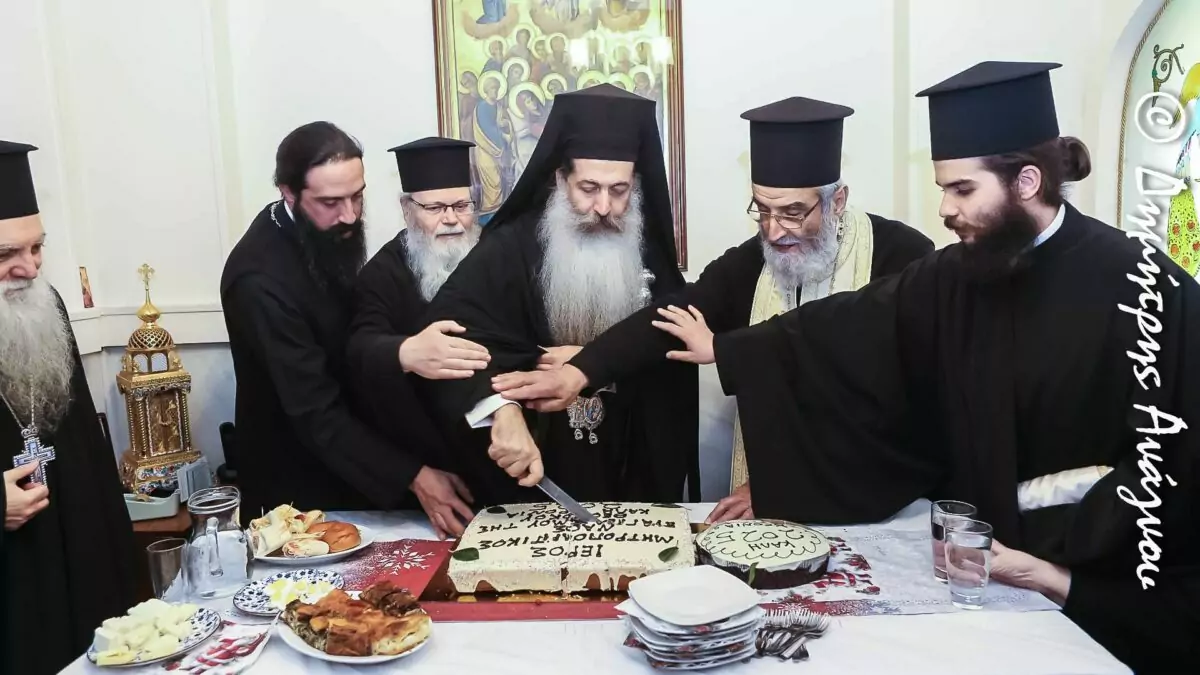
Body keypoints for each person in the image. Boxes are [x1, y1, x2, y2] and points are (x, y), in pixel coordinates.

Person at [680, 62, 1199, 672]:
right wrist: (733, 351)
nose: (946, 209)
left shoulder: (1143, 286)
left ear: (1027, 181)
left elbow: (1173, 461)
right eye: (943, 189)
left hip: (1092, 576)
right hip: (975, 568)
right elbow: (849, 326)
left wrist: (1062, 569)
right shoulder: (957, 273)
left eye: (962, 190)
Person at [492, 97, 933, 519]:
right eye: (763, 210)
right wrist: (582, 371)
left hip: (880, 494)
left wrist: (726, 351)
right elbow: (671, 316)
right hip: (779, 490)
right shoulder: (754, 261)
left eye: (793, 213)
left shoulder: (902, 257)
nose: (775, 231)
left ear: (836, 201)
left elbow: (862, 370)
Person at [426, 84, 699, 504]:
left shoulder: (650, 257)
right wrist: (501, 408)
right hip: (534, 475)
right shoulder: (511, 248)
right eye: (588, 189)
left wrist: (596, 366)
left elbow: (677, 360)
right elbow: (453, 334)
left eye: (619, 190)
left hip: (629, 471)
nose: (604, 208)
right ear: (560, 179)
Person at [221, 122, 417, 526]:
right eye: (330, 202)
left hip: (345, 464)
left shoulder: (321, 234)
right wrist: (413, 476)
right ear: (289, 193)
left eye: (357, 196)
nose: (350, 215)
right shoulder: (258, 281)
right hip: (296, 491)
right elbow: (314, 411)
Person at [0, 141, 136, 674]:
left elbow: (85, 447)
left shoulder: (45, 304)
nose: (29, 268)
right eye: (5, 255)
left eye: (37, 248)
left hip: (73, 553)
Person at [345, 137, 489, 539]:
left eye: (461, 205)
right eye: (435, 208)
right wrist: (405, 351)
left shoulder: (495, 255)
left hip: (500, 459)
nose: (452, 220)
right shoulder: (383, 274)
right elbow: (357, 349)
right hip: (428, 465)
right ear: (408, 210)